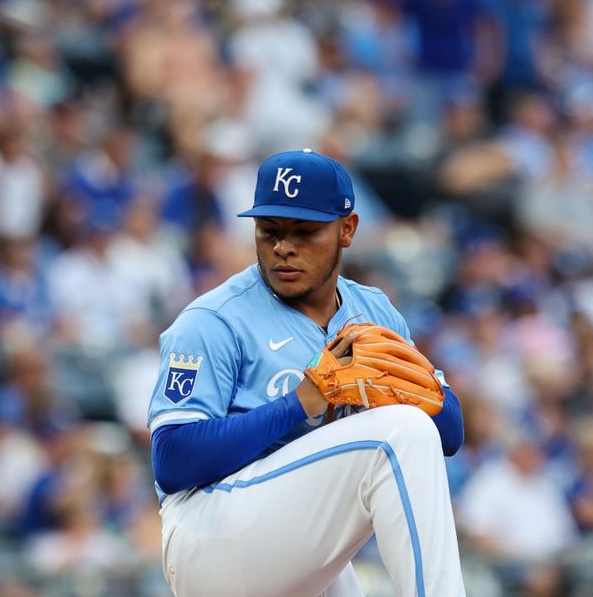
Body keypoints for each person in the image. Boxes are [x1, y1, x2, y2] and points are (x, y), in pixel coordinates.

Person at [148, 149, 466, 596]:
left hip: (299, 545)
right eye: (269, 231)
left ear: (348, 229)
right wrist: (300, 402)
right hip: (209, 536)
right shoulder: (213, 319)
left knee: (408, 431)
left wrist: (420, 393)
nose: (283, 247)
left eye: (305, 231)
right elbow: (172, 461)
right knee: (397, 434)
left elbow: (448, 434)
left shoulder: (373, 311)